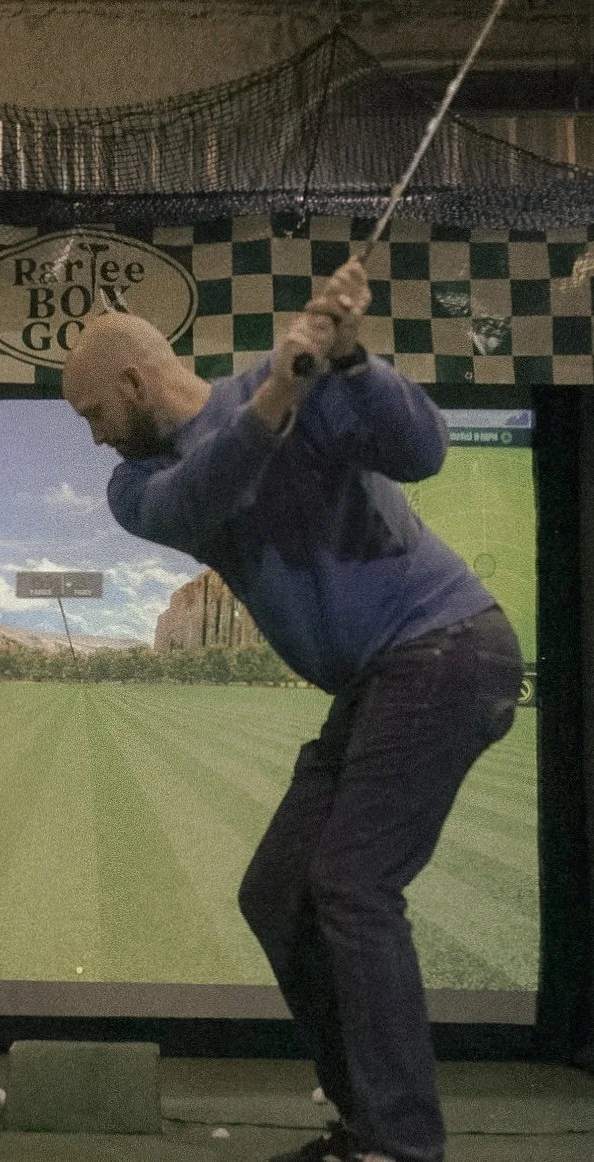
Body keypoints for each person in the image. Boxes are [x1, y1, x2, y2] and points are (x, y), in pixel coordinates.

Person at [61, 257, 524, 1162]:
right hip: (381, 680)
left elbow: (421, 453)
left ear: (134, 382)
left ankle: (399, 1146)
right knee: (277, 894)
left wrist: (352, 360)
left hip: (445, 645)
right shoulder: (138, 485)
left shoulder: (298, 384)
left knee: (351, 882)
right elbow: (204, 495)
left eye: (93, 413)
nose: (94, 435)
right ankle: (368, 1126)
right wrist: (278, 396)